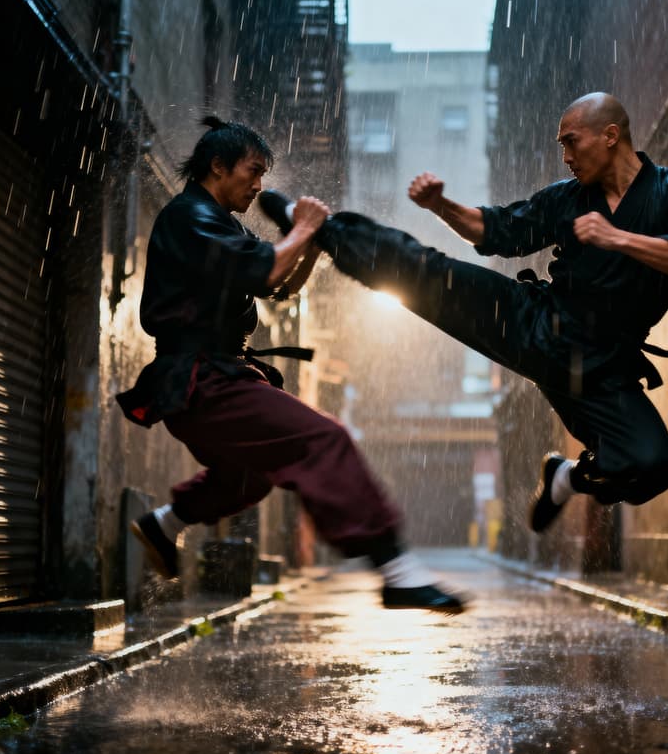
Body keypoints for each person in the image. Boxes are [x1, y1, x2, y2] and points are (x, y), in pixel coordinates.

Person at [258, 92, 668, 532]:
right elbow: (496, 230)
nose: (566, 156)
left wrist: (615, 237)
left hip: (603, 366)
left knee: (653, 466)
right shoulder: (568, 197)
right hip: (537, 325)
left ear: (611, 135)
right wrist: (440, 206)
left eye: (571, 142)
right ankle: (322, 229)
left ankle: (565, 478)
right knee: (429, 275)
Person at [117, 116, 464, 614]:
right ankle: (397, 571)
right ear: (218, 165)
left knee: (252, 475)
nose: (259, 186)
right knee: (325, 439)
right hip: (200, 380)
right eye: (253, 171)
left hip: (213, 378)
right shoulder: (188, 217)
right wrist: (301, 228)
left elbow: (278, 285)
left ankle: (164, 524)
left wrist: (312, 244)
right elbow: (264, 269)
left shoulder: (220, 223)